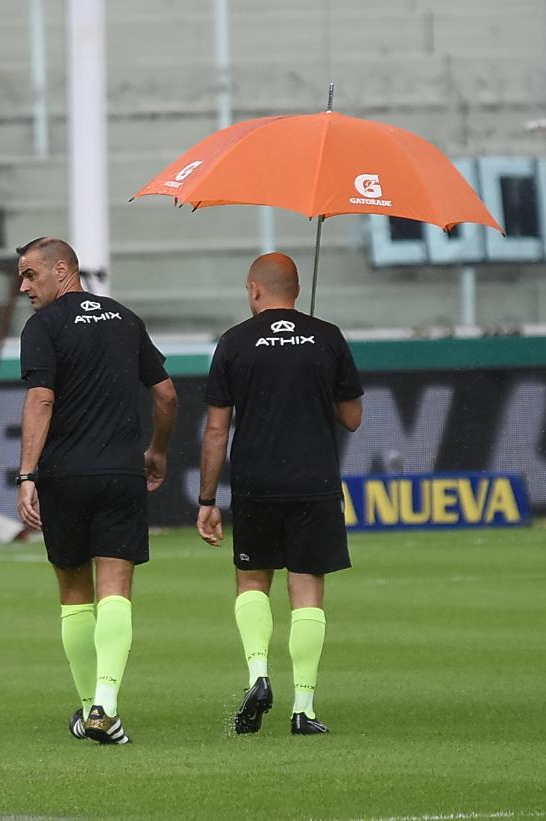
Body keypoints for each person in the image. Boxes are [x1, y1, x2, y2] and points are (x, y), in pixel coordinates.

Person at [14, 237, 178, 745]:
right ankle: (106, 704)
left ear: (62, 270)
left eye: (30, 275)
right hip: (119, 474)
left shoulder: (43, 327)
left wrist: (26, 474)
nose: (23, 287)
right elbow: (167, 394)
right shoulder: (126, 319)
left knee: (73, 596)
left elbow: (41, 400)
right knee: (116, 592)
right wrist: (158, 450)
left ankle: (91, 708)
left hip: (64, 476)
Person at [196, 252, 363, 736]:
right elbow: (351, 417)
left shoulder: (234, 342)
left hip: (256, 482)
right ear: (295, 289)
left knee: (252, 582)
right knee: (306, 587)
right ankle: (304, 709)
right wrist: (316, 381)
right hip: (314, 481)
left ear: (254, 289)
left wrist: (207, 500)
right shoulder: (327, 337)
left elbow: (214, 430)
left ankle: (258, 676)